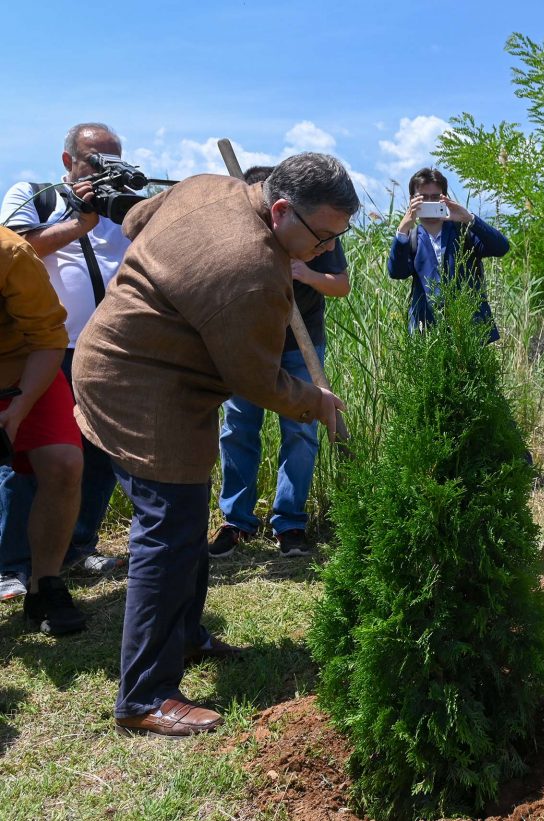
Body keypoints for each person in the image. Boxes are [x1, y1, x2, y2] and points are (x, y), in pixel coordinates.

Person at [72, 152, 357, 737]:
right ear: (280, 210)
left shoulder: (207, 187)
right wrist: (317, 403)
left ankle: (185, 637)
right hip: (139, 385)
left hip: (141, 365)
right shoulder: (253, 270)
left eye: (337, 238)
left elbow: (132, 223)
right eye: (322, 236)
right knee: (167, 531)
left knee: (182, 514)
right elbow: (255, 380)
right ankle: (145, 696)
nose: (327, 250)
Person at [0, 122, 131, 595]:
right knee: (29, 459)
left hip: (110, 350)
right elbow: (18, 251)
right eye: (95, 160)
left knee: (96, 454)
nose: (105, 169)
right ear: (67, 160)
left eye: (113, 159)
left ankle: (77, 548)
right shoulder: (35, 195)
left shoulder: (122, 204)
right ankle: (12, 564)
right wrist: (78, 222)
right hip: (44, 349)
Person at [209, 165, 350, 559]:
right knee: (238, 427)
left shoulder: (316, 229)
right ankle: (236, 521)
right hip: (249, 344)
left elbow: (341, 285)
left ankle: (289, 523)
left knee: (302, 429)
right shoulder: (239, 229)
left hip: (300, 345)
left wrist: (303, 273)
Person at [0, 226, 85, 630]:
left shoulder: (11, 253)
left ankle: (43, 585)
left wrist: (18, 409)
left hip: (26, 367)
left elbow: (50, 337)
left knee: (64, 463)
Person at [388, 167, 508, 341]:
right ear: (412, 200)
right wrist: (403, 230)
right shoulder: (411, 239)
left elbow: (501, 247)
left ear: (444, 198)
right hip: (427, 334)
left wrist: (469, 218)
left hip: (470, 331)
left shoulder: (464, 231)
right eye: (422, 198)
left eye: (435, 197)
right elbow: (397, 272)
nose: (429, 203)